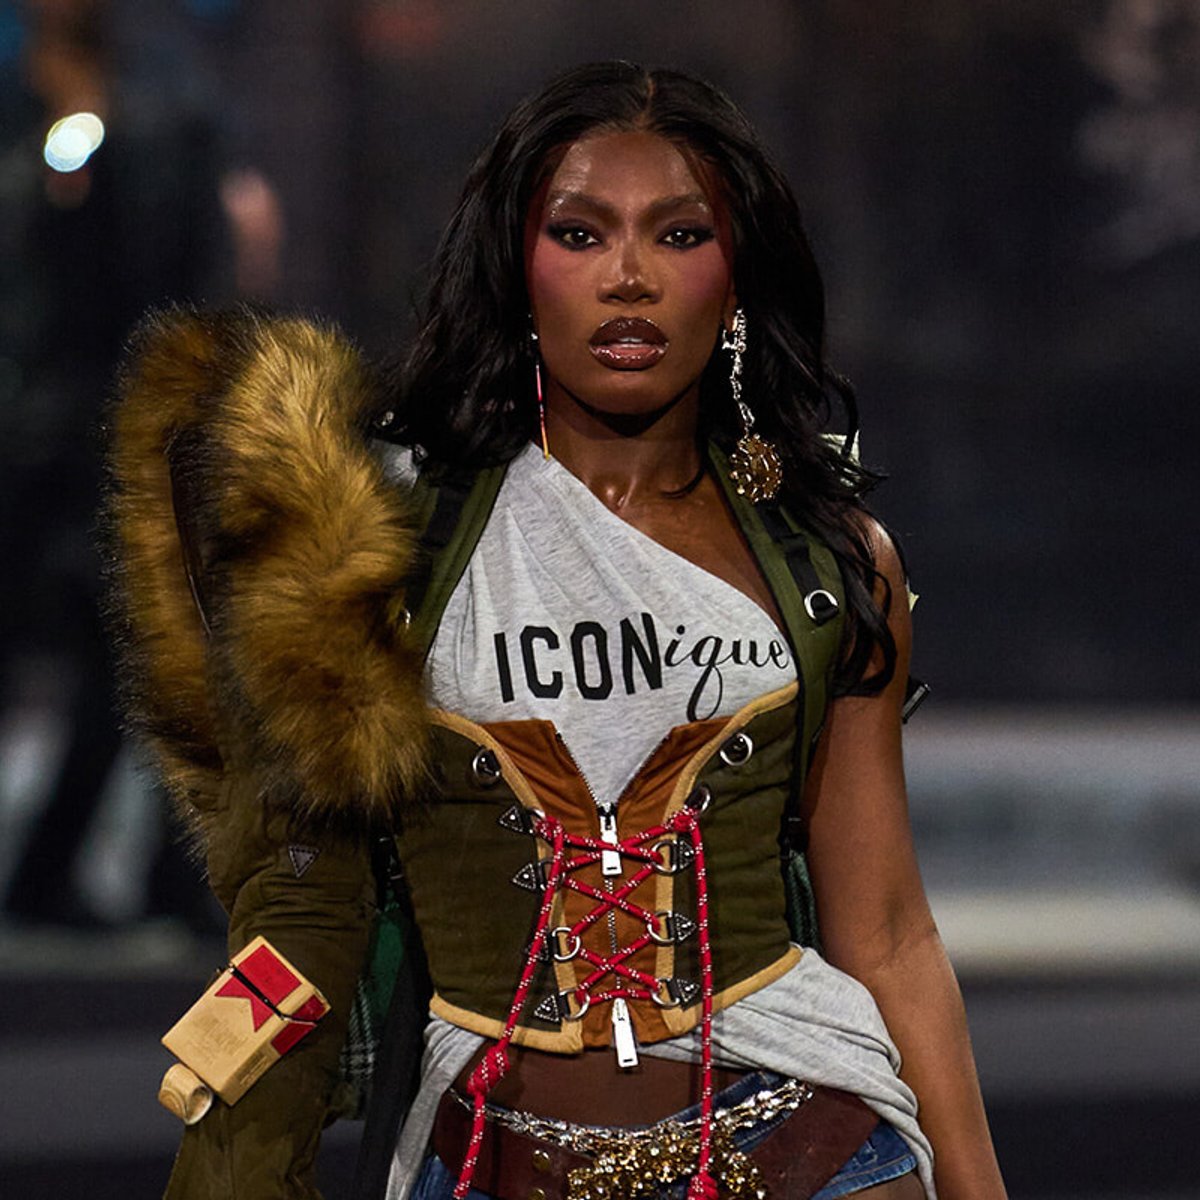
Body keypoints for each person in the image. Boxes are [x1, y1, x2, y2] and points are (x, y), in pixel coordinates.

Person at [107, 62, 1006, 1200]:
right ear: (516, 269)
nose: (628, 276)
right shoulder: (387, 548)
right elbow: (303, 904)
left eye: (679, 235)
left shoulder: (827, 560)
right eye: (580, 233)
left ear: (735, 280)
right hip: (493, 1151)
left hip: (812, 1133)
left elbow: (886, 934)